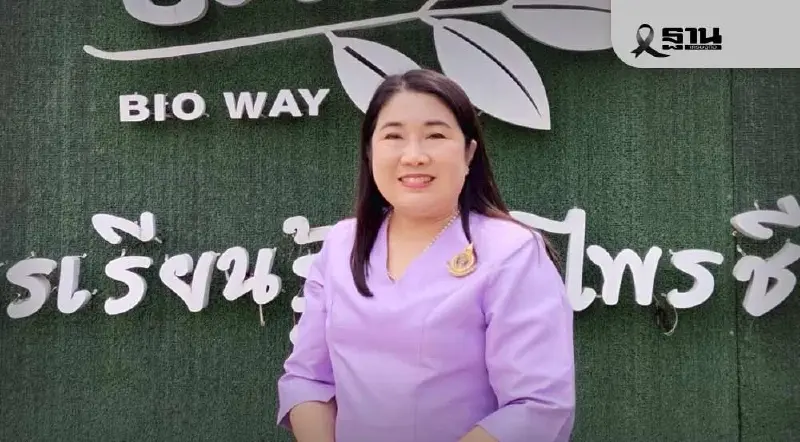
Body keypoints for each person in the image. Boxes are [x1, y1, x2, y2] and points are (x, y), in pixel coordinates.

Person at [276, 69, 575, 442]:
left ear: (468, 153)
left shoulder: (512, 251)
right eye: (393, 136)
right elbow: (308, 379)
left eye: (435, 135)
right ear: (370, 151)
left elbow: (536, 405)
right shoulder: (341, 244)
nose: (414, 156)